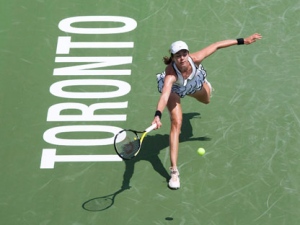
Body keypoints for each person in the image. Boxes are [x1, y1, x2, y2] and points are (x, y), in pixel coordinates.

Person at [151, 33, 262, 189]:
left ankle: (196, 87)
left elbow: (216, 45)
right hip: (174, 91)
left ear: (188, 54)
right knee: (176, 123)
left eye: (184, 54)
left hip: (191, 82)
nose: (182, 58)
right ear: (173, 57)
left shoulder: (196, 59)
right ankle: (174, 171)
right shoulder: (170, 76)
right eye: (178, 55)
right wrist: (157, 115)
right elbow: (164, 95)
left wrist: (244, 41)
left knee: (206, 100)